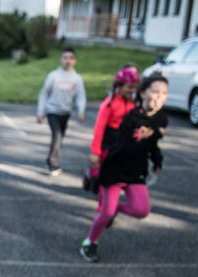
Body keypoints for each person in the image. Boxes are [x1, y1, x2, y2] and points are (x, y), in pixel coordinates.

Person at [80, 74, 169, 262]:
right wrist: (153, 137)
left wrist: (157, 159)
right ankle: (89, 243)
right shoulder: (132, 118)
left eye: (164, 93)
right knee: (106, 214)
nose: (159, 97)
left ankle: (113, 208)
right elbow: (128, 148)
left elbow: (152, 146)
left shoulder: (161, 118)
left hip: (135, 171)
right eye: (155, 91)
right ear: (143, 93)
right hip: (115, 169)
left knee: (142, 210)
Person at [85, 65, 140, 200]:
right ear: (119, 87)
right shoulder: (109, 104)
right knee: (105, 175)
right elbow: (99, 128)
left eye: (134, 87)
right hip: (109, 141)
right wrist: (95, 151)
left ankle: (107, 198)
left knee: (116, 174)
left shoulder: (134, 104)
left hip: (124, 143)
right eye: (129, 87)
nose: (132, 90)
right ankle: (102, 205)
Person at [36, 48, 86, 176]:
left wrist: (81, 110)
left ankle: (51, 158)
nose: (67, 61)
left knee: (59, 138)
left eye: (70, 58)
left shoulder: (77, 79)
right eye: (65, 57)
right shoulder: (54, 76)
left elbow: (80, 96)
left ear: (74, 60)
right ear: (61, 59)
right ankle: (53, 164)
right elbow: (44, 94)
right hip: (52, 111)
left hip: (65, 112)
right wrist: (40, 112)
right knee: (57, 136)